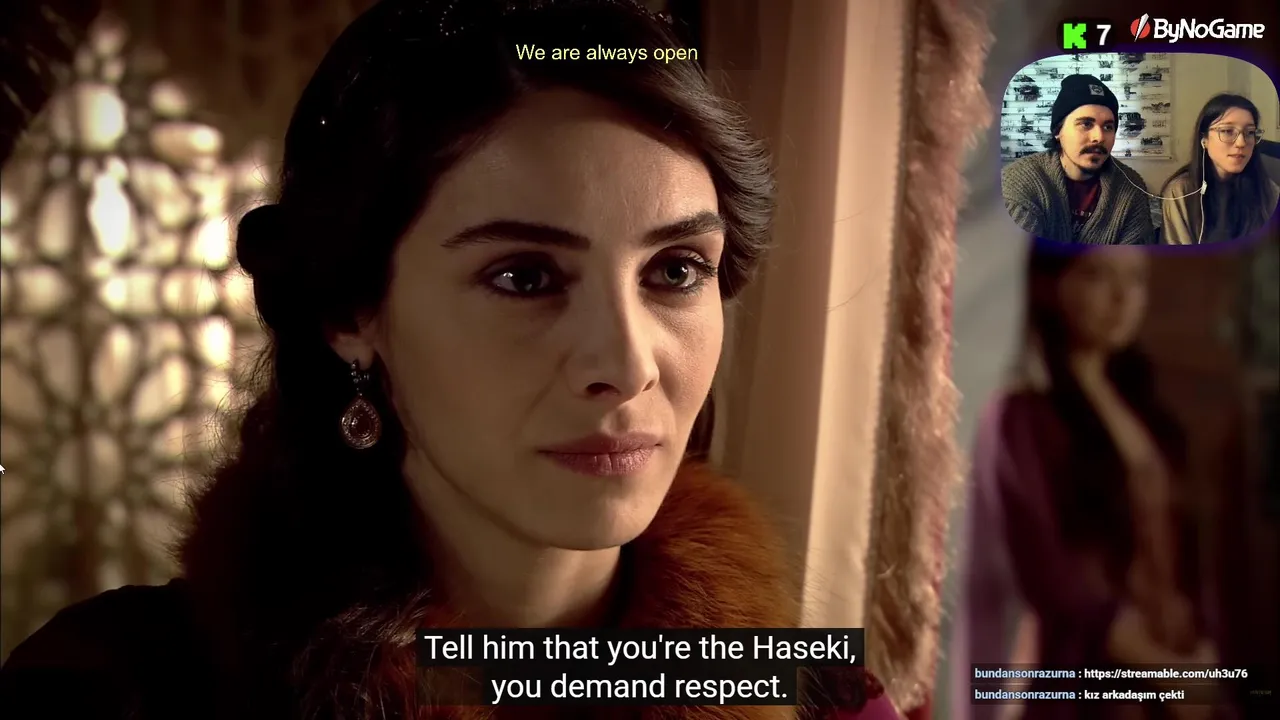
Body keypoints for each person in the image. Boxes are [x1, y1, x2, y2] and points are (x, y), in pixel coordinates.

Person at [0, 1, 900, 719]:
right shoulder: (111, 691)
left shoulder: (811, 695)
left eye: (675, 271)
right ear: (350, 310)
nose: (628, 364)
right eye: (524, 277)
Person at [953, 245, 1226, 720]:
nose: (1122, 298)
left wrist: (1200, 663)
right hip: (1086, 682)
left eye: (1136, 279)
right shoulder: (1023, 420)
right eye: (1099, 275)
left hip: (1176, 673)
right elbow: (1054, 580)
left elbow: (1187, 559)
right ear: (1051, 284)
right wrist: (1164, 670)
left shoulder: (1154, 419)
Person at [1002, 74, 1155, 245]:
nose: (1099, 137)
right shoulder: (1019, 182)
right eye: (1086, 124)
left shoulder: (1131, 189)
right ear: (1058, 131)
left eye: (1108, 127)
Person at [1160, 94, 1279, 245]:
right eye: (1227, 131)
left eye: (1250, 132)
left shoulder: (1267, 190)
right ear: (1205, 139)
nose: (1241, 143)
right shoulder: (1180, 192)